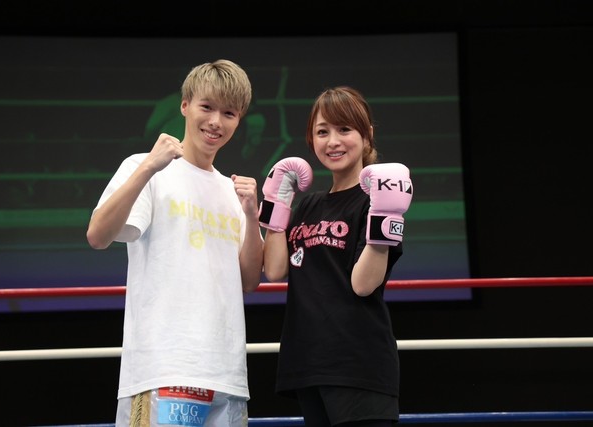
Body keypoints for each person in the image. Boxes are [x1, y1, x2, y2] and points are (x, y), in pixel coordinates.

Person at [86, 59, 264, 427]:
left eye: (229, 113)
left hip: (226, 374)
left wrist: (250, 215)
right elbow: (98, 235)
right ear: (185, 105)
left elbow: (249, 280)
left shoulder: (232, 192)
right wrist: (149, 167)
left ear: (238, 120)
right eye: (206, 107)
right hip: (164, 369)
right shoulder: (146, 167)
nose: (215, 121)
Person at [259, 86, 413, 426]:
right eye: (322, 132)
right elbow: (275, 269)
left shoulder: (373, 200)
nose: (333, 141)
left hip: (358, 363)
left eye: (344, 129)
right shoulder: (309, 205)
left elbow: (363, 285)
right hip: (309, 361)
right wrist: (276, 208)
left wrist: (385, 216)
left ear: (366, 134)